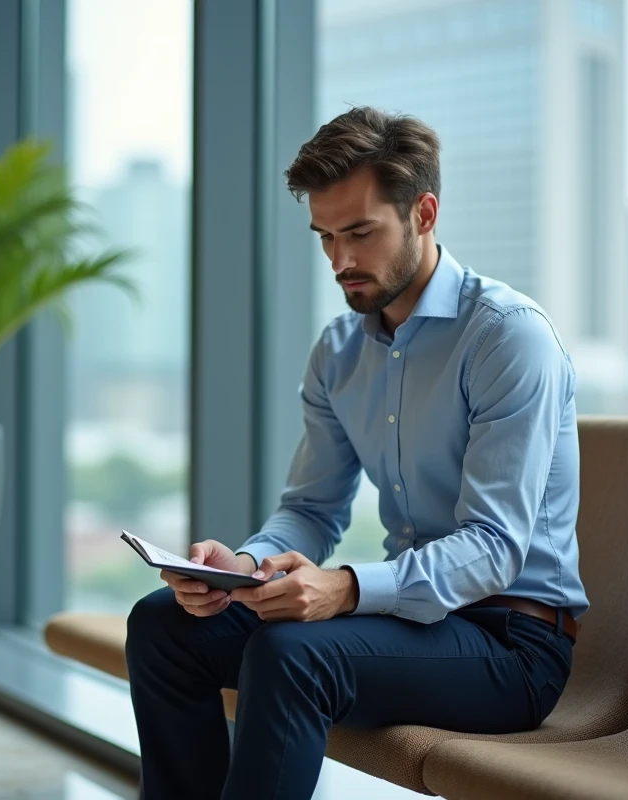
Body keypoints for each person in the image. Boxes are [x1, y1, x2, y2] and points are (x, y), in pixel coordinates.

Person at [125, 107, 589, 800]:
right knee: (163, 626)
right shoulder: (338, 353)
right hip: (403, 623)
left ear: (423, 213)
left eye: (360, 233)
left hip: (509, 646)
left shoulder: (507, 339)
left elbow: (495, 548)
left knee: (292, 654)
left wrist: (343, 589)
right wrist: (242, 569)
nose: (340, 260)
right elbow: (310, 511)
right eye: (326, 237)